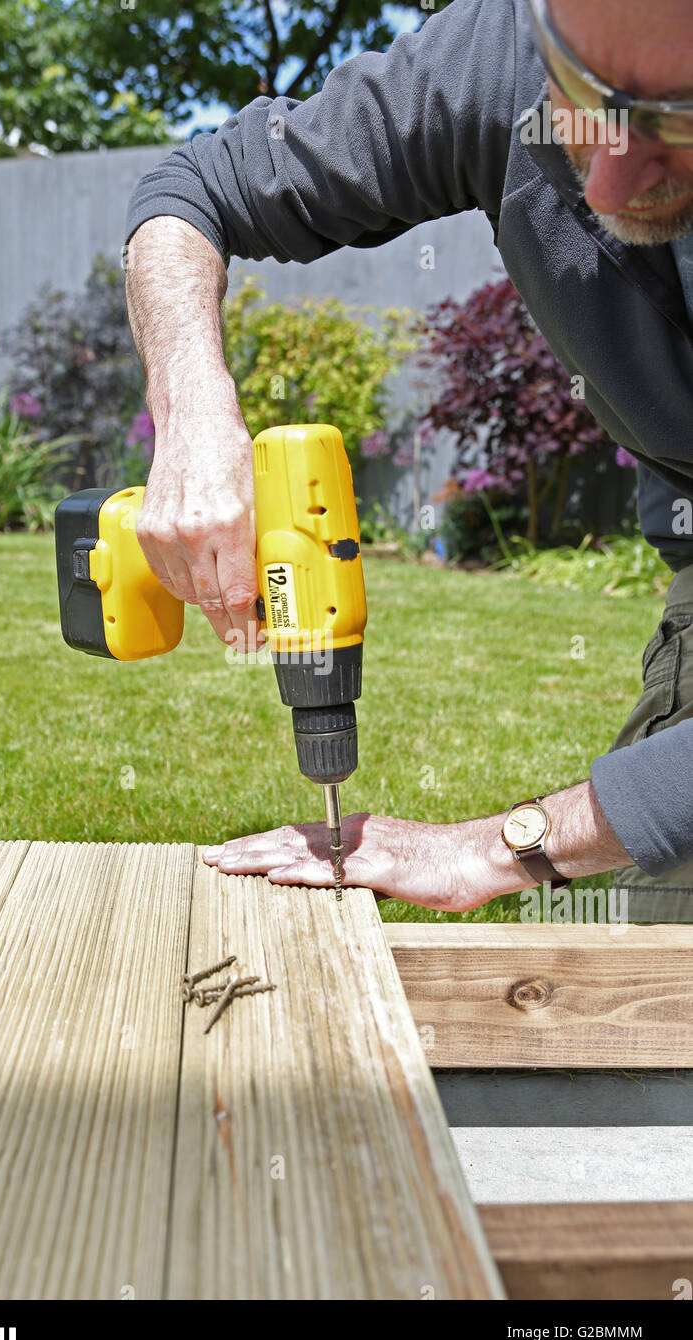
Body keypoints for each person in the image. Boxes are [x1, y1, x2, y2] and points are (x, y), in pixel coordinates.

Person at [122, 0, 693, 918]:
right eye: (584, 100)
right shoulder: (497, 52)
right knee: (664, 949)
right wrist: (191, 418)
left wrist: (496, 850)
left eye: (675, 119)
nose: (611, 189)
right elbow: (191, 192)